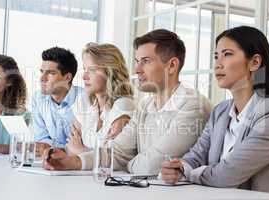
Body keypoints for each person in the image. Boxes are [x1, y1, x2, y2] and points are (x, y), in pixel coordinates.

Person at [160, 26, 269, 196]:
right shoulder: (220, 111)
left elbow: (227, 175)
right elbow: (196, 156)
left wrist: (188, 173)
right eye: (216, 56)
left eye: (227, 54)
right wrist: (179, 167)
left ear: (254, 62)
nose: (218, 64)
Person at [43, 29, 212, 175]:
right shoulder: (145, 106)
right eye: (137, 62)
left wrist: (127, 164)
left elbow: (150, 166)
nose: (137, 69)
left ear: (172, 66)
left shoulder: (192, 105)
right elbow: (118, 153)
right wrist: (70, 162)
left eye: (146, 61)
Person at [66, 43, 135, 155]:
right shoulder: (83, 103)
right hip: (81, 172)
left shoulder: (123, 106)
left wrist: (81, 150)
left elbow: (112, 158)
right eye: (85, 69)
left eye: (92, 70)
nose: (84, 76)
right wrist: (83, 152)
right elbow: (71, 148)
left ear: (110, 72)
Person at [32, 47, 87, 156]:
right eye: (42, 72)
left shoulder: (85, 99)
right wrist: (46, 146)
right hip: (51, 160)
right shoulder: (38, 99)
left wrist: (53, 149)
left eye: (50, 73)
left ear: (67, 77)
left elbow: (85, 145)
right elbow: (42, 138)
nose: (42, 78)